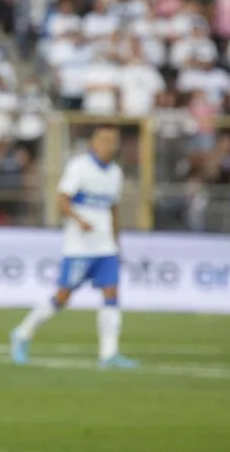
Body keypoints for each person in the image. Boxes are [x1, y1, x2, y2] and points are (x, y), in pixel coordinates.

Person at [10, 125, 137, 369]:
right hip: (79, 246)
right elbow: (61, 199)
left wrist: (116, 242)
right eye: (104, 141)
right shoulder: (80, 167)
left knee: (111, 295)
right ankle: (23, 332)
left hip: (105, 247)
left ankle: (108, 353)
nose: (109, 146)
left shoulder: (115, 174)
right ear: (93, 144)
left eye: (113, 142)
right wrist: (79, 220)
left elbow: (114, 209)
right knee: (62, 297)